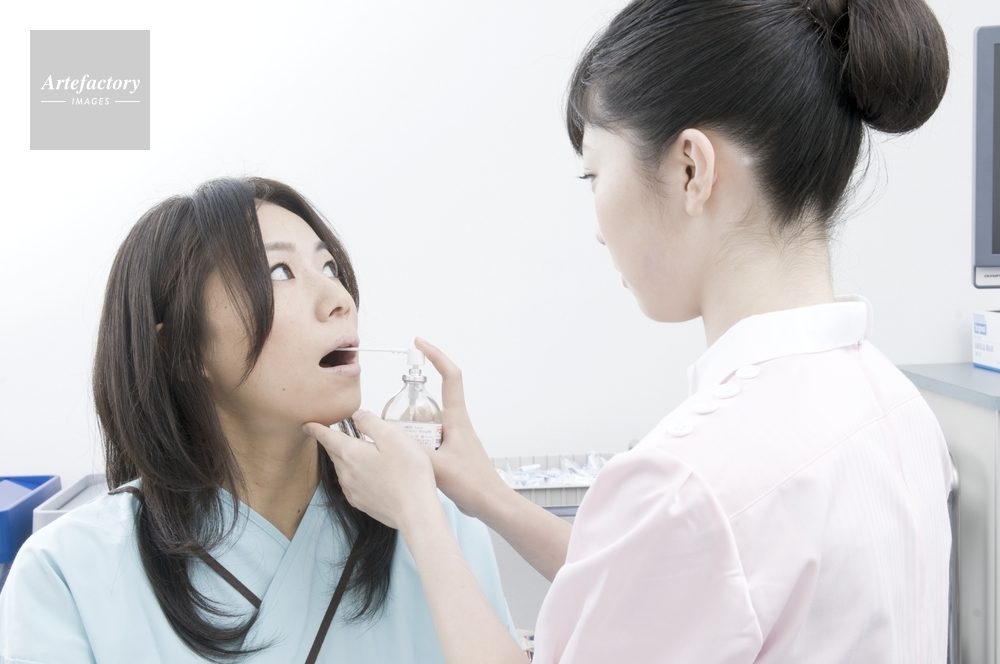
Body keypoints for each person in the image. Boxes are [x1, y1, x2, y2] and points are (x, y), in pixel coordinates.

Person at [305, 0, 954, 662]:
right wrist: (489, 496)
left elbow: (683, 557)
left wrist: (418, 513)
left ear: (691, 169)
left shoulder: (690, 483)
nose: (596, 227)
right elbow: (669, 594)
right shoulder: (898, 409)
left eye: (594, 175)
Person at [0, 177, 514, 663]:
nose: (339, 300)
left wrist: (431, 515)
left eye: (330, 267)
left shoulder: (432, 523)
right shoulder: (67, 573)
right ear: (182, 348)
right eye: (279, 272)